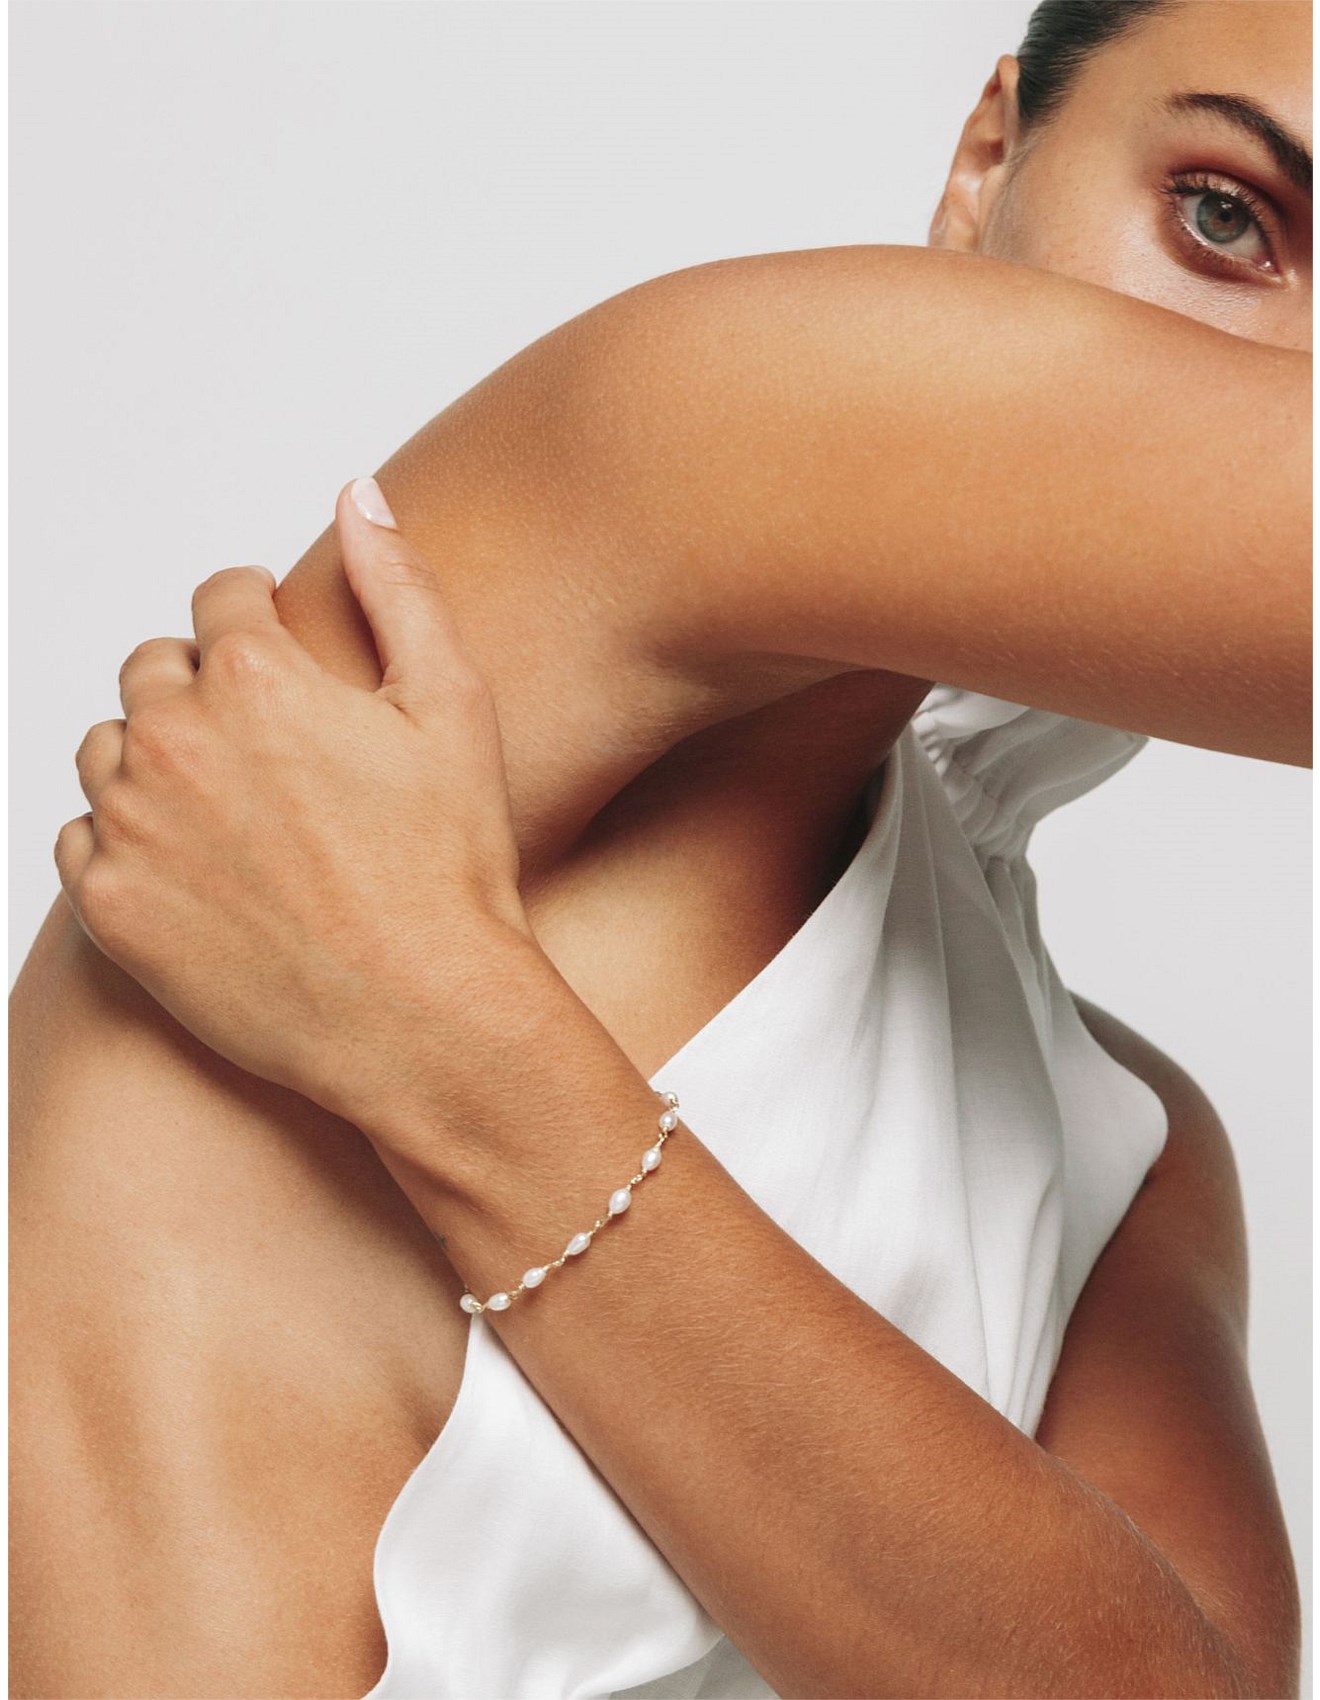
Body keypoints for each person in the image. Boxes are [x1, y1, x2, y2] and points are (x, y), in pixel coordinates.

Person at [11, 1, 1308, 1695]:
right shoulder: (718, 424)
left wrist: (466, 1058)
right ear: (987, 160)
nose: (1281, 397)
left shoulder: (1116, 1152)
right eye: (1221, 215)